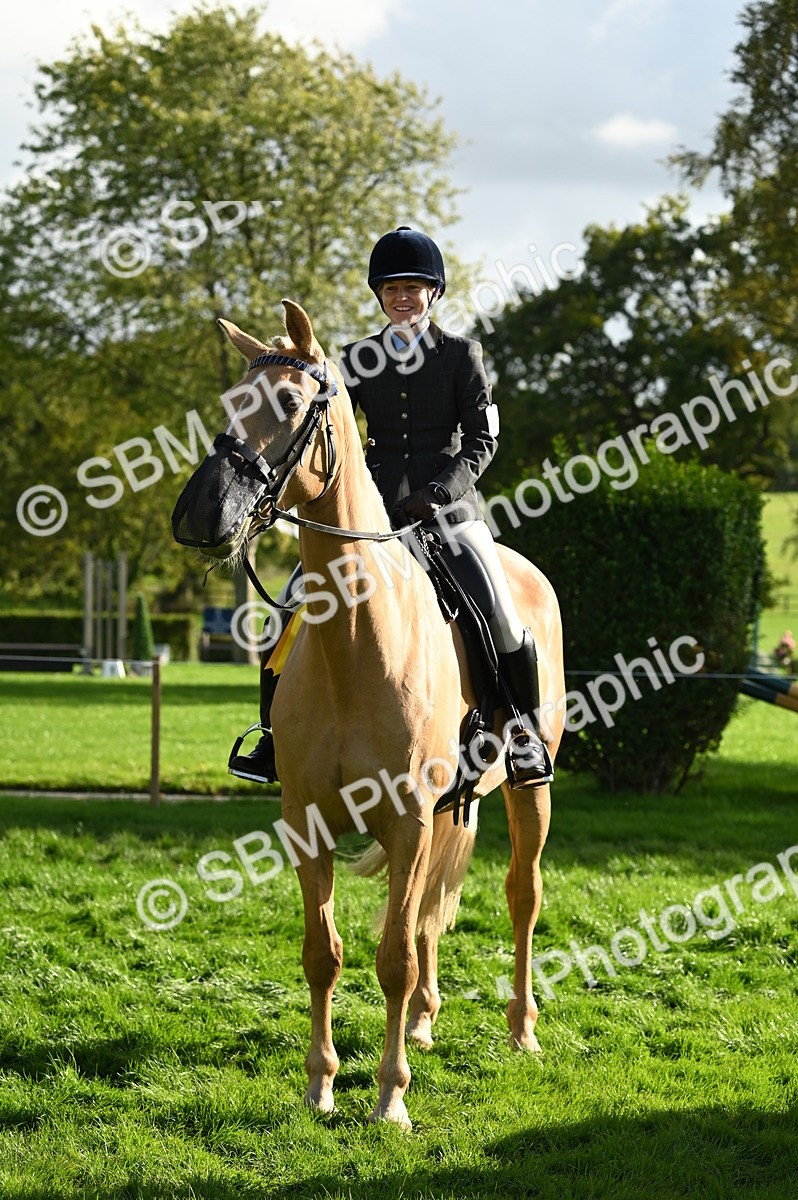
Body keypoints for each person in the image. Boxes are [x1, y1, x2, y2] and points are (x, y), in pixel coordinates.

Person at [228, 227, 551, 788]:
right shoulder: (354, 359)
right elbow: (327, 430)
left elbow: (483, 440)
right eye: (393, 288)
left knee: (494, 604)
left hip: (448, 515)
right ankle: (274, 736)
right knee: (289, 605)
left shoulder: (462, 356)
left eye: (415, 287)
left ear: (434, 293)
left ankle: (520, 732)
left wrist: (438, 493)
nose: (404, 297)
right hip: (368, 516)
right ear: (380, 295)